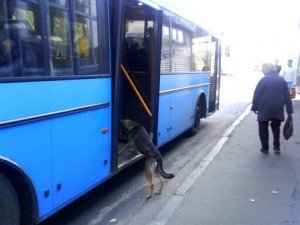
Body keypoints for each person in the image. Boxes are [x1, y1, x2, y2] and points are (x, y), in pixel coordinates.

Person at [251, 62, 293, 154]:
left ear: (267, 69)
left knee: (263, 126)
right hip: (278, 107)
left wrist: (254, 107)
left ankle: (265, 148)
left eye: (263, 69)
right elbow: (287, 96)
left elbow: (257, 94)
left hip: (265, 107)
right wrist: (289, 111)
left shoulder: (263, 80)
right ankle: (276, 146)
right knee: (276, 127)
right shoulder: (282, 80)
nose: (262, 71)